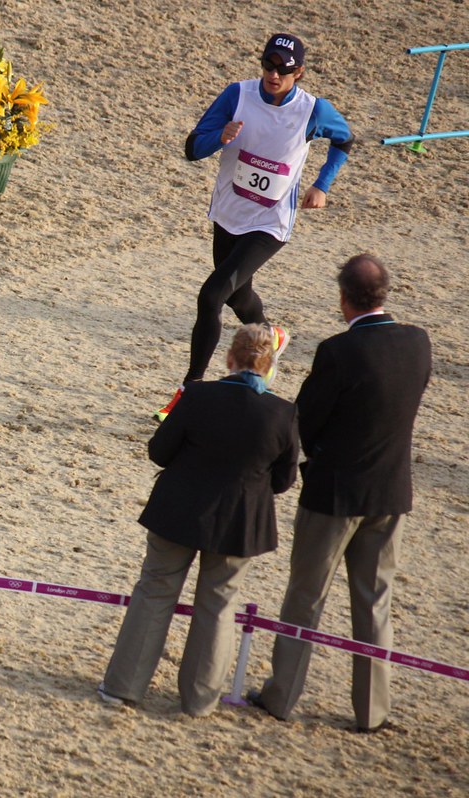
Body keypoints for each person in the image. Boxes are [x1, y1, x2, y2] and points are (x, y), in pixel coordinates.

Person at [248, 254, 431, 733]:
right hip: (390, 492)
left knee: (305, 598)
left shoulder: (338, 351)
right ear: (384, 293)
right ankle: (373, 711)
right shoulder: (418, 342)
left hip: (333, 494)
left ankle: (281, 696)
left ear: (344, 298)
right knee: (375, 604)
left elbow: (305, 418)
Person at [99, 324, 298, 716]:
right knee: (219, 605)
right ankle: (200, 700)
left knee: (155, 591)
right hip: (239, 521)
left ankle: (123, 688)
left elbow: (159, 450)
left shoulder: (199, 395)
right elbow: (284, 480)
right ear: (270, 365)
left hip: (179, 509)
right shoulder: (283, 412)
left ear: (230, 358)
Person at [155, 32, 354, 421]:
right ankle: (271, 335)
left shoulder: (313, 110)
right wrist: (220, 137)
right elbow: (192, 148)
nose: (274, 74)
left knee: (211, 295)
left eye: (284, 69)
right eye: (268, 65)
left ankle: (188, 391)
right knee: (237, 297)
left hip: (270, 222)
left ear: (299, 73)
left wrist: (321, 184)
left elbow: (345, 140)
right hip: (229, 214)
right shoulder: (237, 95)